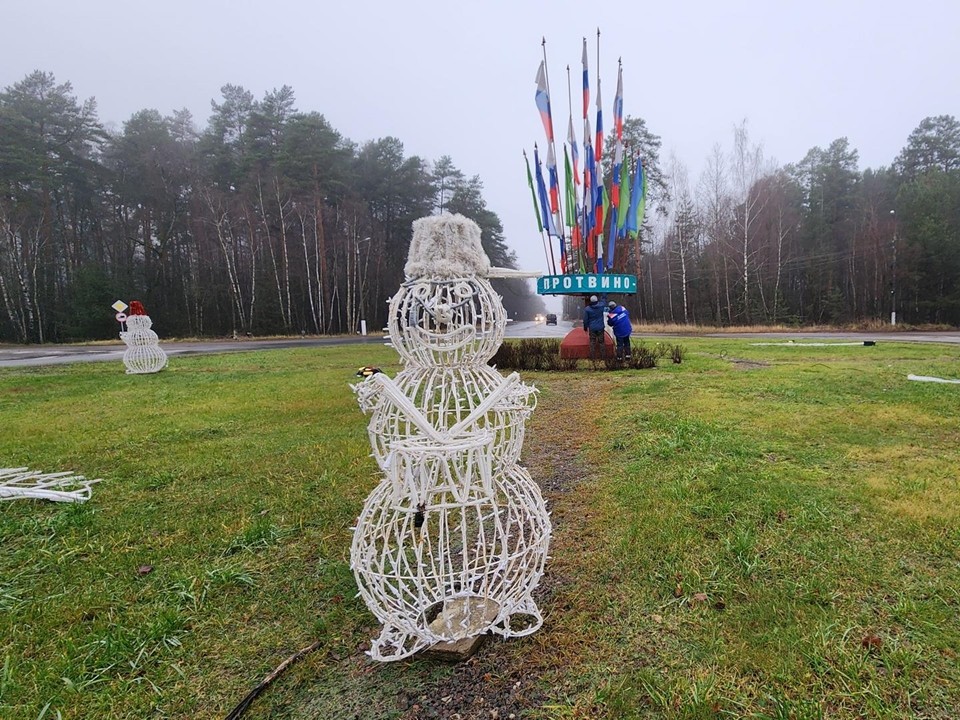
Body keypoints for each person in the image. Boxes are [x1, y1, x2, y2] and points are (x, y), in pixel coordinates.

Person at [582, 295, 606, 360]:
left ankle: (592, 357)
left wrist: (585, 327)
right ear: (597, 300)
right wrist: (604, 292)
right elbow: (604, 299)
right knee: (601, 342)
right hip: (600, 327)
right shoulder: (601, 306)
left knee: (592, 342)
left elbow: (585, 320)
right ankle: (603, 357)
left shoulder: (587, 309)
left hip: (592, 328)